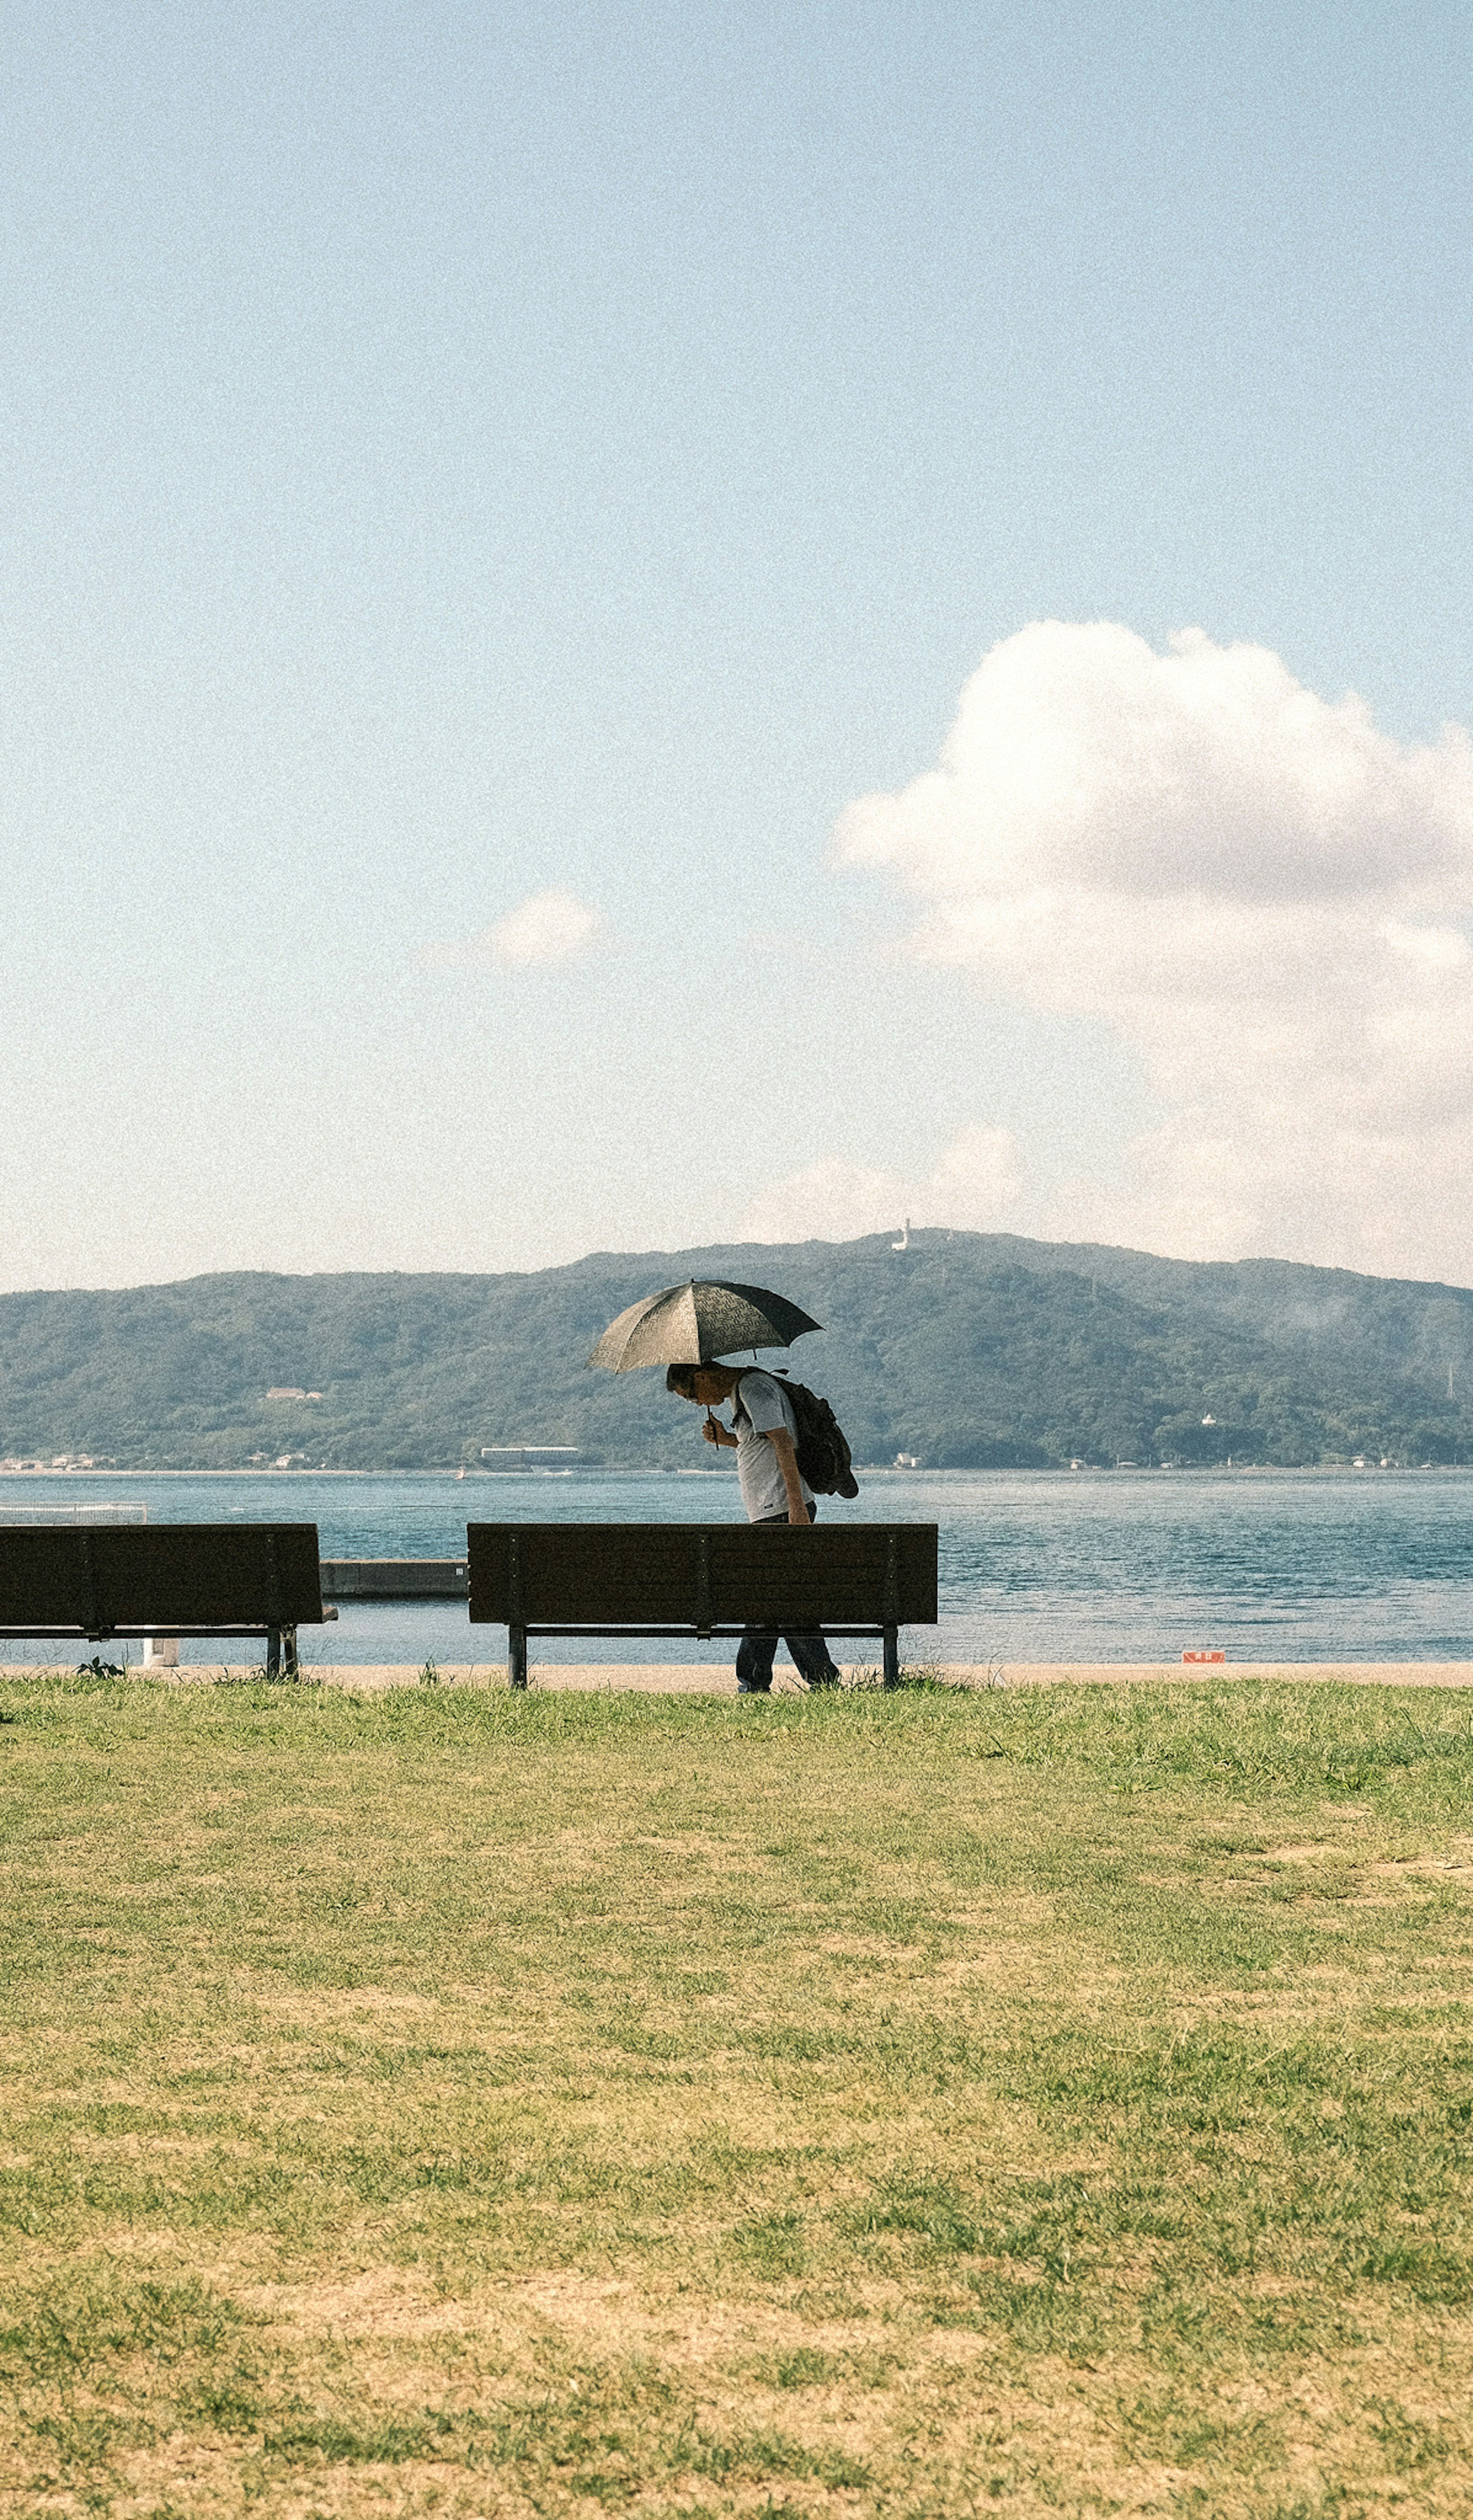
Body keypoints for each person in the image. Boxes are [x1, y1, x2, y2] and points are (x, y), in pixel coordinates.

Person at [666, 1361, 842, 1694]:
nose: (698, 1403)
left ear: (702, 1377)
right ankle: (800, 1679)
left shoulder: (752, 1388)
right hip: (772, 1510)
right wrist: (728, 1439)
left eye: (692, 1395)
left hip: (781, 1510)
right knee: (774, 1600)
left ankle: (766, 1680)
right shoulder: (741, 1393)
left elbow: (783, 1442)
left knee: (772, 1599)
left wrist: (796, 1507)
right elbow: (762, 1444)